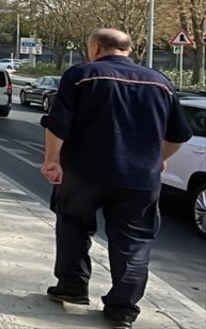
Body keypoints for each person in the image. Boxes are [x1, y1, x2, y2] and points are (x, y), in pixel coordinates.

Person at [39, 28, 191, 329]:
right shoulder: (161, 82)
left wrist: (52, 161)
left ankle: (72, 287)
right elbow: (178, 135)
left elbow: (58, 124)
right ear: (130, 50)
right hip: (140, 178)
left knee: (72, 224)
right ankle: (122, 309)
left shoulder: (82, 75)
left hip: (84, 172)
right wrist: (159, 159)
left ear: (95, 47)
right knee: (134, 241)